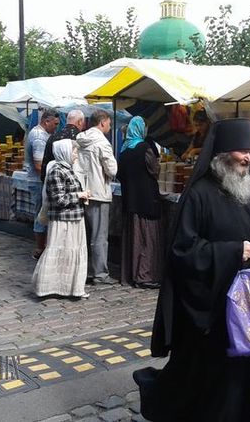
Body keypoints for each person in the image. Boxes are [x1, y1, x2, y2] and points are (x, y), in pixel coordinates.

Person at [133, 118, 250, 421]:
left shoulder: (248, 194)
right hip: (213, 309)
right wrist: (231, 252)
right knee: (213, 383)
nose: (248, 158)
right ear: (223, 154)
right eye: (242, 151)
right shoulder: (198, 195)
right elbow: (182, 251)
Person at [32, 139, 90, 299]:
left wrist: (82, 196)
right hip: (63, 220)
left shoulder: (67, 169)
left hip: (73, 218)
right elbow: (59, 199)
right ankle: (47, 287)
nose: (76, 155)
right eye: (74, 151)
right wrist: (79, 195)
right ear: (64, 152)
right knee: (58, 251)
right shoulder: (57, 171)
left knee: (70, 253)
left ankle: (70, 288)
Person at [116, 116, 162, 288]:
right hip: (146, 200)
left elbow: (120, 175)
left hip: (130, 200)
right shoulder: (144, 149)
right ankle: (145, 274)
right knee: (145, 239)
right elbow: (155, 170)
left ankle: (131, 273)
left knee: (133, 238)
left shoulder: (123, 150)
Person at [76, 109, 118, 285]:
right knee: (99, 236)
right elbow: (112, 169)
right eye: (108, 123)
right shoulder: (102, 142)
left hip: (82, 191)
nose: (109, 126)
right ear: (102, 122)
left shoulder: (79, 139)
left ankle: (84, 271)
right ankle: (100, 273)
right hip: (99, 192)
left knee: (84, 235)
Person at [26, 109, 60, 259]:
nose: (56, 127)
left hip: (39, 180)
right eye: (55, 124)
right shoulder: (39, 137)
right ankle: (40, 249)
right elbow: (39, 165)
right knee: (41, 213)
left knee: (42, 213)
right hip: (39, 181)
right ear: (46, 121)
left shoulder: (42, 134)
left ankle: (43, 246)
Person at [40, 109, 86, 184]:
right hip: (74, 185)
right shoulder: (80, 138)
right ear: (80, 122)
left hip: (51, 182)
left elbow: (45, 164)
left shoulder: (53, 137)